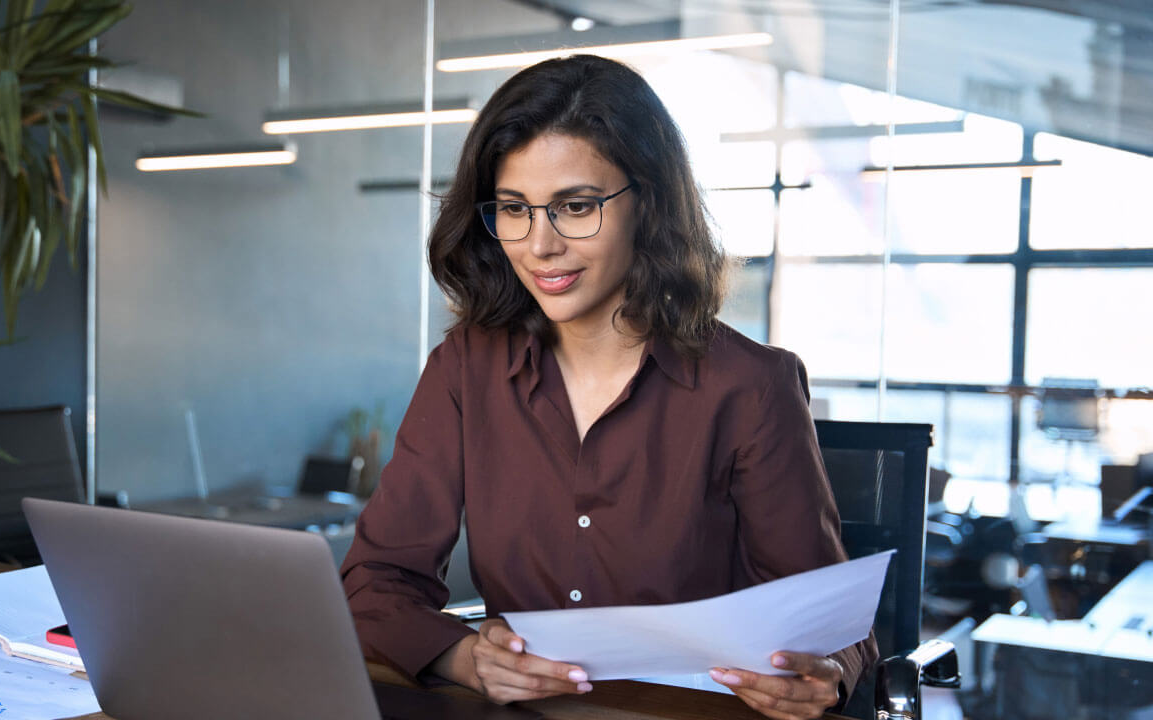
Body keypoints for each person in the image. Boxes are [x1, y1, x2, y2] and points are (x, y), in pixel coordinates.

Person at [340, 54, 875, 720]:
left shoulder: (750, 386)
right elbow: (375, 580)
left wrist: (823, 675)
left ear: (646, 203)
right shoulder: (465, 368)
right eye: (514, 209)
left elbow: (832, 625)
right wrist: (463, 658)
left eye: (576, 206)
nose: (540, 245)